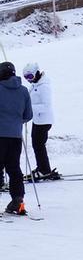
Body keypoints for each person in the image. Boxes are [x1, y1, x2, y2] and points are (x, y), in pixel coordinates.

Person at [0, 61, 33, 216]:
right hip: (15, 136)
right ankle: (18, 202)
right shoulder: (24, 90)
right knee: (14, 168)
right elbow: (28, 115)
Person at [23, 63, 59, 181]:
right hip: (38, 120)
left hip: (44, 121)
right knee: (37, 145)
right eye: (26, 77)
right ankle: (42, 167)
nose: (29, 80)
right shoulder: (35, 85)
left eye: (30, 76)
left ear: (37, 73)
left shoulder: (44, 87)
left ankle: (44, 170)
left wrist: (30, 108)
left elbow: (46, 106)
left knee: (38, 145)